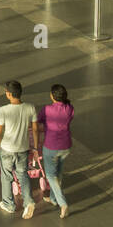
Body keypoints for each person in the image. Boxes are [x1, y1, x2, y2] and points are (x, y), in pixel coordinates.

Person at [0, 80, 39, 218]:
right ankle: (28, 201)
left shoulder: (3, 110)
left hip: (7, 149)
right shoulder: (30, 107)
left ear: (8, 94)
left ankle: (9, 204)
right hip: (23, 148)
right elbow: (35, 129)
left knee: (7, 176)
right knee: (23, 174)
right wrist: (36, 148)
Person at [37, 84, 75, 219]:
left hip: (51, 147)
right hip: (66, 146)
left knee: (51, 176)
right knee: (58, 173)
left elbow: (37, 121)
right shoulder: (70, 108)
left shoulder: (47, 109)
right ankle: (53, 198)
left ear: (52, 96)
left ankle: (62, 203)